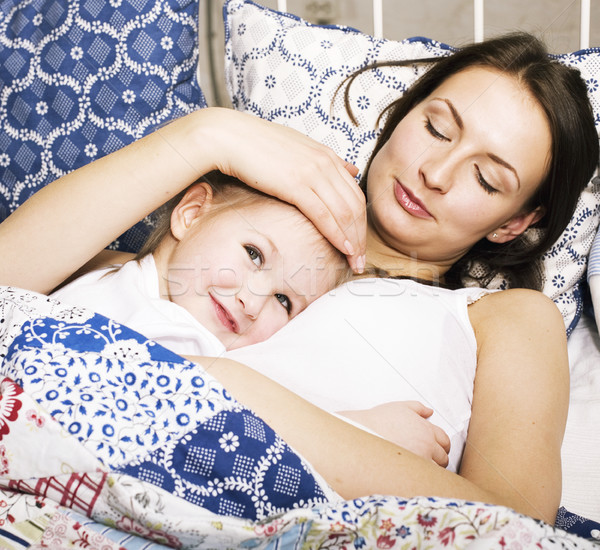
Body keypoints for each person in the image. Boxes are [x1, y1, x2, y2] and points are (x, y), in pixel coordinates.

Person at [0, 31, 597, 526]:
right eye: (437, 129)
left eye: (487, 179)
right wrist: (210, 135)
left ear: (515, 222)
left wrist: (221, 392)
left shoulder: (505, 318)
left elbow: (512, 529)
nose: (435, 172)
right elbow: (21, 294)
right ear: (400, 116)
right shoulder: (242, 237)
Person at [51, 171, 351, 355]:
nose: (252, 302)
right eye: (253, 254)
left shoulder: (193, 348)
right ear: (192, 213)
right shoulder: (82, 266)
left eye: (283, 300)